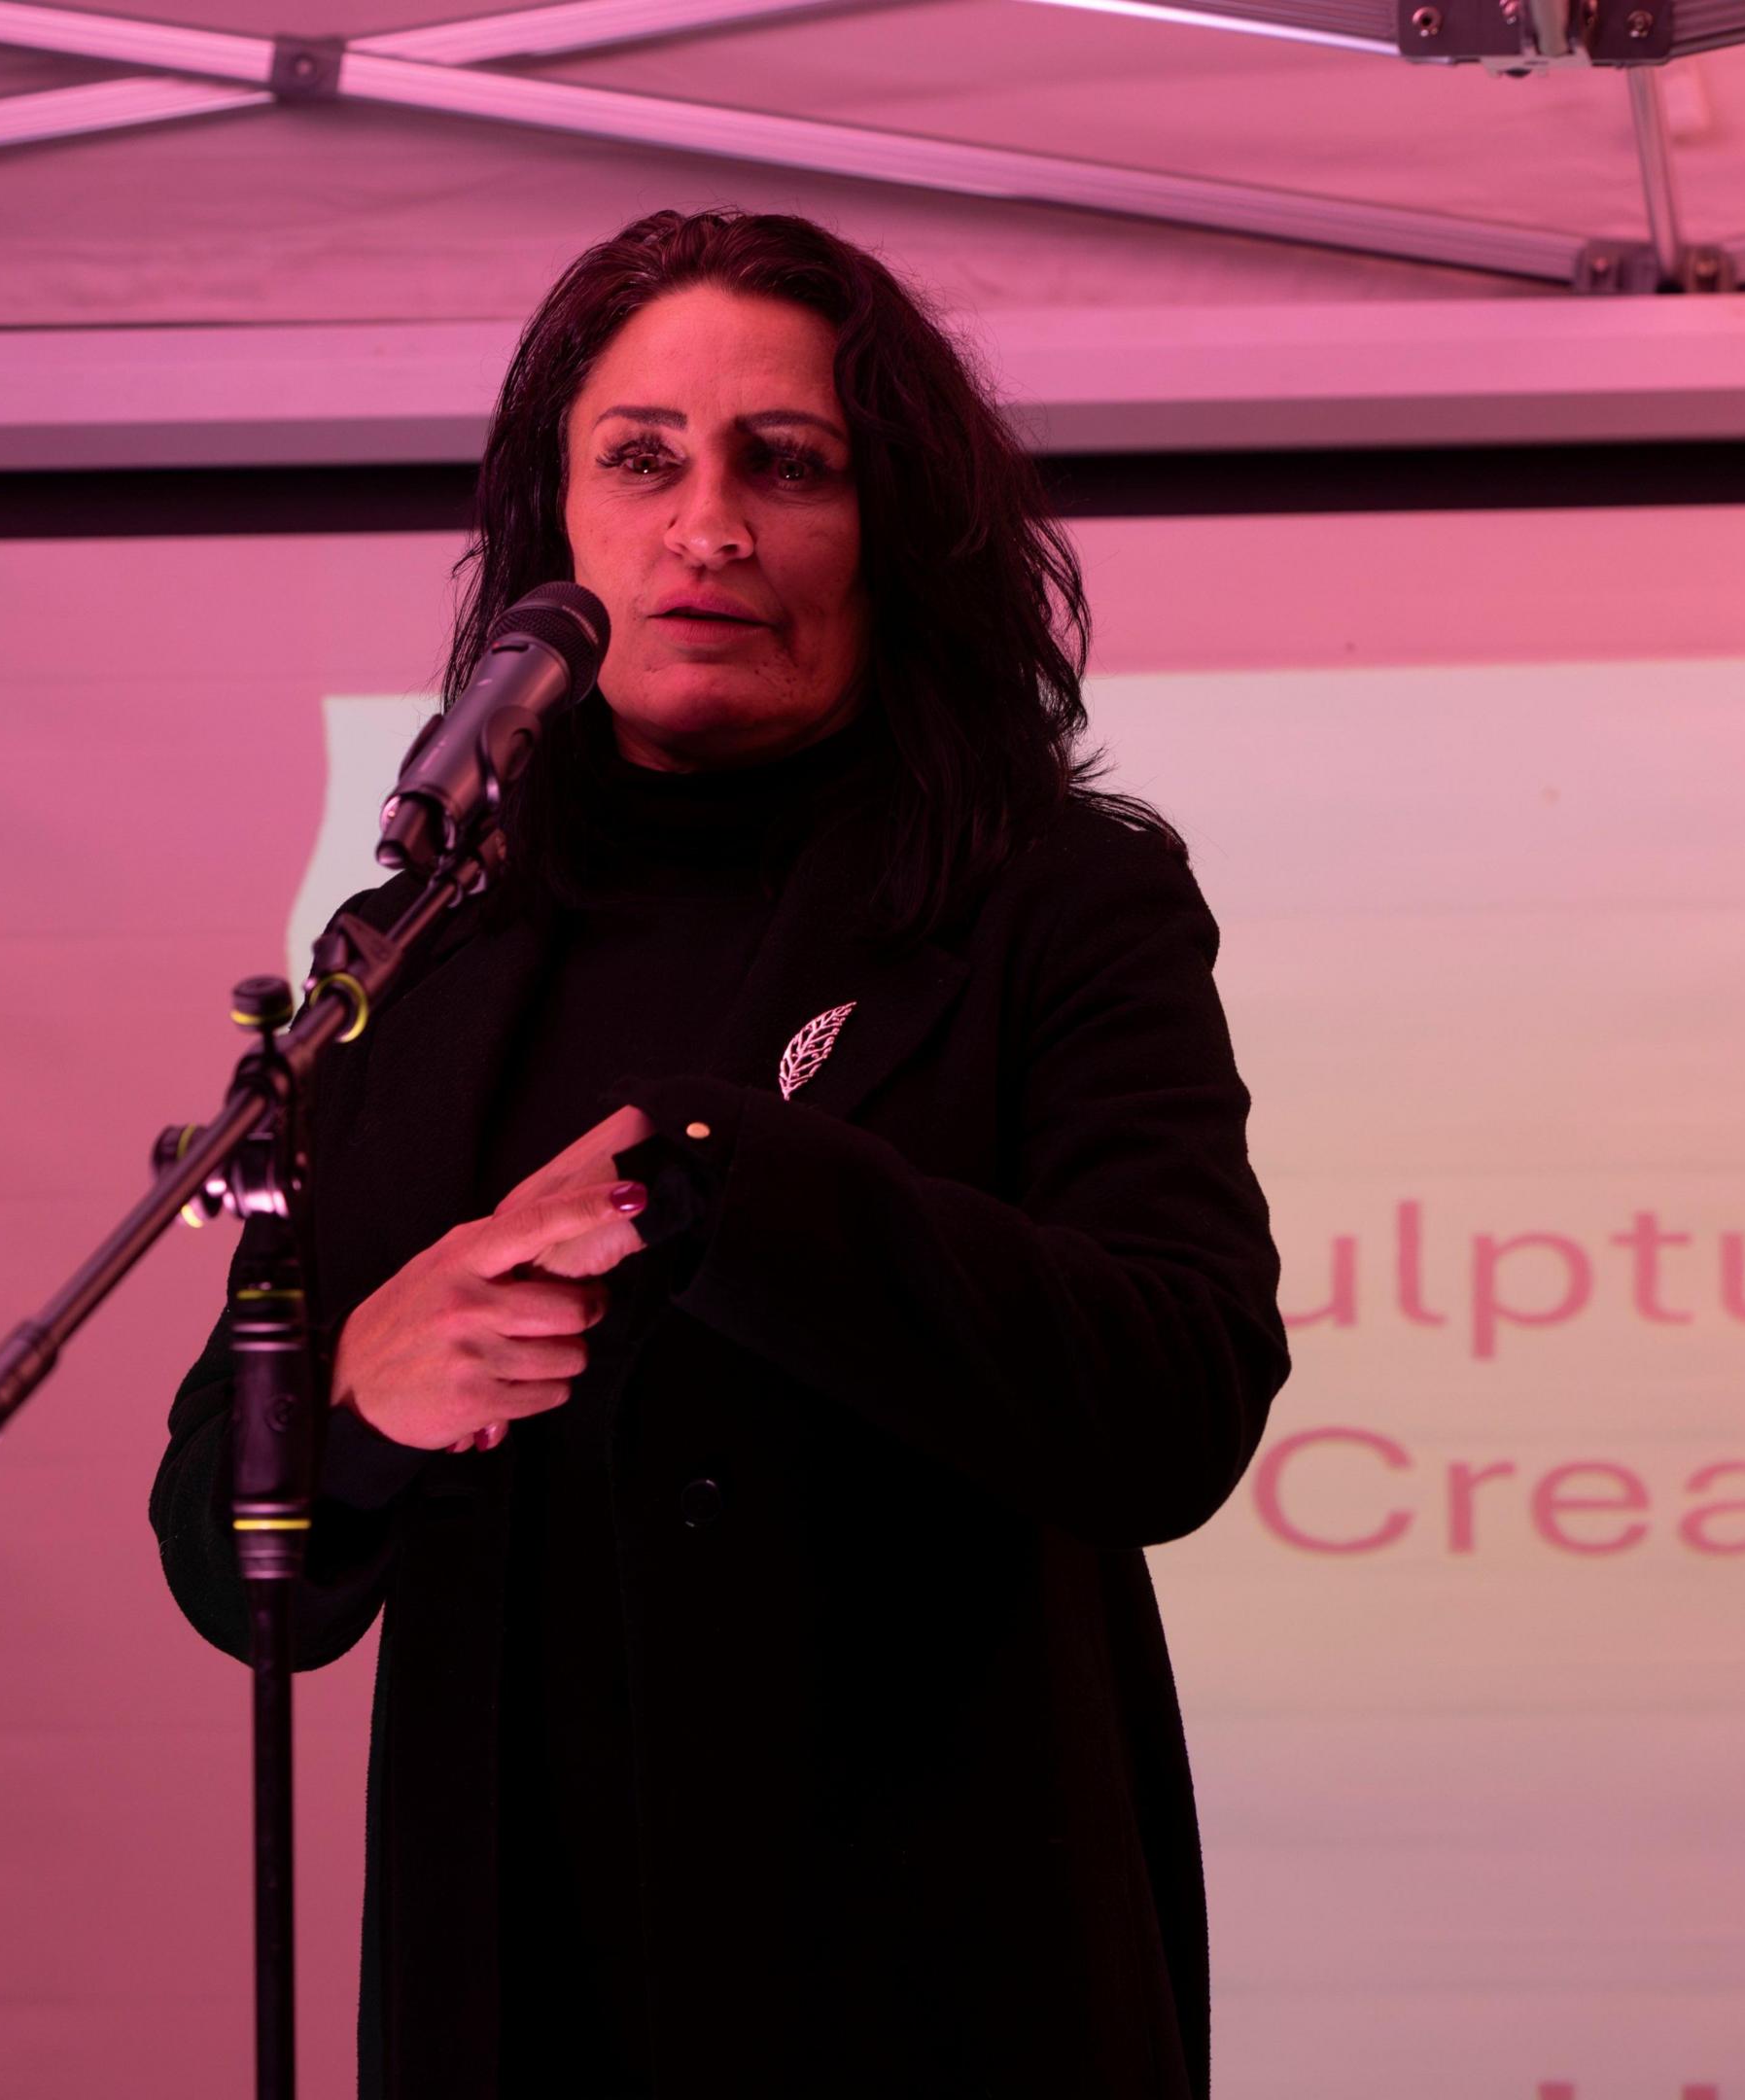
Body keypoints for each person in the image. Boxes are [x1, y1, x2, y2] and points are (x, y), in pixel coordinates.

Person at [151, 209, 1286, 2099]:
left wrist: (730, 1178)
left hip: (942, 1987)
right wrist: (356, 1393)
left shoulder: (1054, 903)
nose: (711, 527)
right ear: (556, 531)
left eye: (789, 463)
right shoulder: (425, 948)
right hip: (519, 1992)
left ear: (893, 532)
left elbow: (1175, 1397)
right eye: (642, 460)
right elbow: (226, 1551)